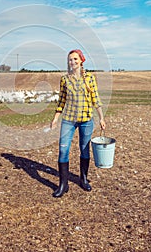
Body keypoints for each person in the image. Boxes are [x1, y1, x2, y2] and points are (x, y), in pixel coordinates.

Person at [50, 49, 106, 197]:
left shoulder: (89, 78)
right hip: (68, 120)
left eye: (75, 59)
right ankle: (63, 184)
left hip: (86, 120)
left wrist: (101, 118)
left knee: (84, 150)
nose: (72, 62)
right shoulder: (64, 79)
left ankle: (84, 179)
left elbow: (96, 99)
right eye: (70, 60)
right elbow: (61, 100)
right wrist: (56, 117)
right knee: (63, 150)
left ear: (81, 60)